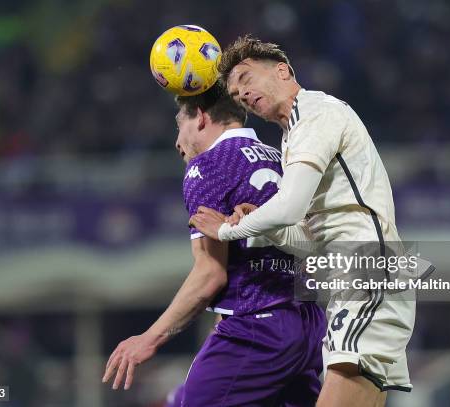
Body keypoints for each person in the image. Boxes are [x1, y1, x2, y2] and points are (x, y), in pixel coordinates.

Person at [189, 36, 416, 407]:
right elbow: (310, 240)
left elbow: (290, 206)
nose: (242, 94)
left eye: (246, 79)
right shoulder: (292, 135)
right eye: (234, 92)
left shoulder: (315, 113)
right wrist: (266, 228)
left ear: (283, 71)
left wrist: (228, 230)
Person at [102, 81, 326, 406]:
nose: (178, 143)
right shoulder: (282, 158)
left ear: (202, 118)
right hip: (307, 324)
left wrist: (149, 338)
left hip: (258, 329)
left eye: (180, 125)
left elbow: (211, 274)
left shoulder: (207, 166)